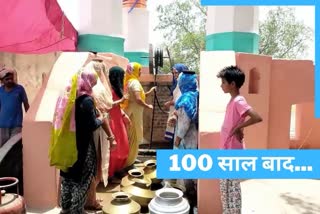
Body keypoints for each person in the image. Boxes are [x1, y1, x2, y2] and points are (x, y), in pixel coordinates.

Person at [217, 65, 262, 214]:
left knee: (232, 191)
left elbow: (257, 117)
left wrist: (238, 128)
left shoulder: (238, 101)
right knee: (225, 189)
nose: (221, 85)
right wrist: (239, 127)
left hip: (233, 153)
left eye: (223, 82)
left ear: (232, 84)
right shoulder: (232, 101)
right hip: (226, 150)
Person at [59, 68, 104, 214]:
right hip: (82, 145)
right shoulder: (87, 101)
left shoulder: (68, 96)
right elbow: (91, 125)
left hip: (66, 144)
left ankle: (65, 208)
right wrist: (101, 119)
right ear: (89, 82)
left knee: (67, 176)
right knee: (82, 177)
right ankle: (77, 210)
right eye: (94, 83)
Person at [173, 72, 199, 213]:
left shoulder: (185, 99)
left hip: (187, 137)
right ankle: (193, 195)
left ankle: (191, 197)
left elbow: (184, 122)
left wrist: (178, 138)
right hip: (195, 135)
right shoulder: (196, 94)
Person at [121, 62, 155, 167]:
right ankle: (129, 162)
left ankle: (132, 159)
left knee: (131, 138)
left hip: (130, 112)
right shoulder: (135, 82)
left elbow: (139, 95)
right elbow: (138, 99)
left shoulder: (129, 81)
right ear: (134, 71)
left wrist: (149, 92)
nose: (140, 72)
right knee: (133, 139)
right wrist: (147, 106)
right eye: (139, 70)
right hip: (134, 115)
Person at [108, 66, 131, 177]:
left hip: (118, 118)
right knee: (114, 149)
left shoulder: (116, 88)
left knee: (123, 146)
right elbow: (107, 105)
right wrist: (121, 100)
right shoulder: (109, 89)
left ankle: (117, 169)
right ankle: (110, 173)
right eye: (122, 76)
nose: (124, 78)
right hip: (111, 120)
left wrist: (123, 114)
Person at [0, 68, 29, 147]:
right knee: (3, 148)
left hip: (16, 125)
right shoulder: (0, 91)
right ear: (2, 81)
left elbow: (26, 105)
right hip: (2, 125)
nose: (10, 80)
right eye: (7, 79)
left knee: (14, 148)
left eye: (11, 78)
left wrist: (29, 121)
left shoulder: (20, 89)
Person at [164, 64, 188, 144]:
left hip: (181, 112)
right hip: (174, 110)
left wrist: (169, 103)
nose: (174, 75)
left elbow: (180, 99)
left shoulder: (184, 84)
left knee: (179, 133)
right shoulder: (176, 83)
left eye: (176, 73)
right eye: (173, 73)